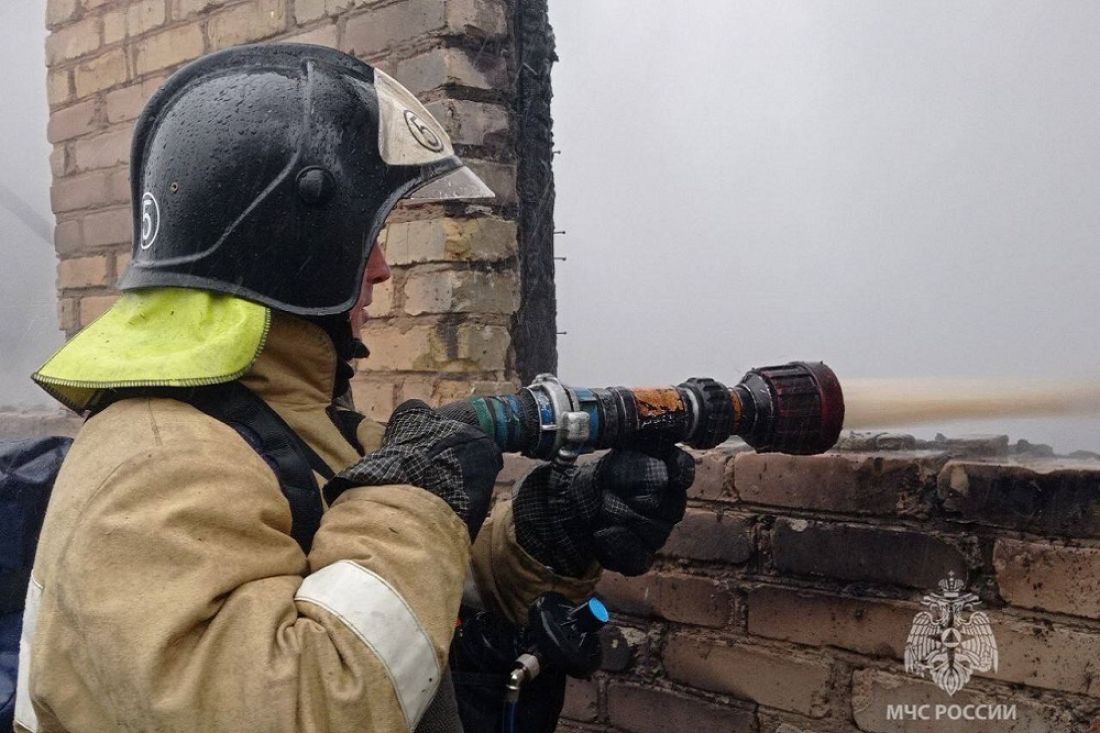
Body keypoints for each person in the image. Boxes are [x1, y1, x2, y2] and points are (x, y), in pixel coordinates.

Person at [16, 44, 691, 733]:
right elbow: (299, 709)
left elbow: (385, 601)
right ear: (289, 246)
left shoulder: (281, 423)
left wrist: (540, 540)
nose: (382, 270)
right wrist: (413, 498)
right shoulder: (153, 461)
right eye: (368, 235)